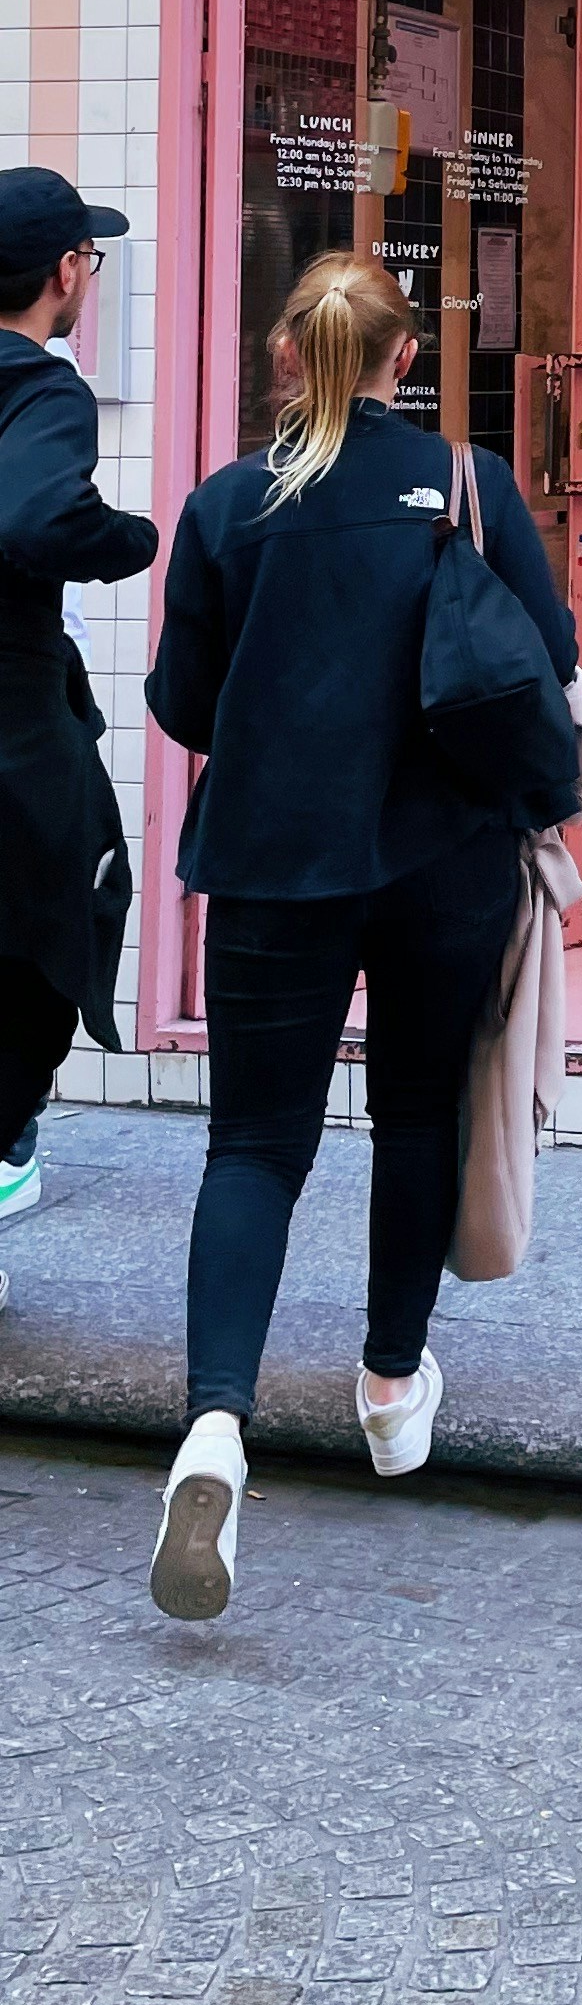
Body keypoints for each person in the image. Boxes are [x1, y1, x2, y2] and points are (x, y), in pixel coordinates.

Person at [142, 250, 576, 1622]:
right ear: (406, 358)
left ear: (288, 353)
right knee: (416, 1111)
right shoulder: (463, 481)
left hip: (274, 861)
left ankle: (215, 1427)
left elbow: (183, 702)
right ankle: (391, 1384)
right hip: (442, 854)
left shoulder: (226, 504)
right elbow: (549, 654)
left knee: (253, 1144)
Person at [0, 168, 157, 1306]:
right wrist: (129, 537)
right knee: (69, 915)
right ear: (66, 271)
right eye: (87, 259)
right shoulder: (41, 386)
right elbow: (40, 516)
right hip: (13, 723)